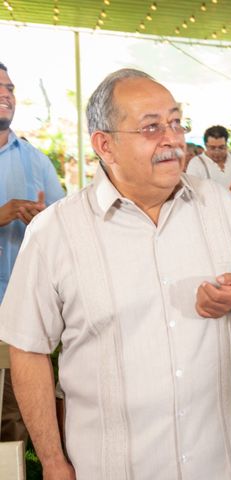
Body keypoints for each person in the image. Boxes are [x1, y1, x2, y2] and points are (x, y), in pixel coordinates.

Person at [0, 68, 231, 479]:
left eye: (175, 122)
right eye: (151, 127)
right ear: (105, 145)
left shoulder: (218, 206)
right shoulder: (55, 232)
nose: (172, 139)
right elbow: (28, 349)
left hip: (219, 462)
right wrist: (52, 461)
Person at [0, 61, 65, 442]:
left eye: (9, 88)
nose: (5, 94)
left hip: (15, 317)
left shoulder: (36, 161)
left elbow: (62, 229)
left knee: (13, 423)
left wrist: (41, 223)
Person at [187, 124, 231, 196]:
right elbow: (193, 194)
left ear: (226, 144)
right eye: (212, 148)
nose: (217, 152)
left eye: (221, 147)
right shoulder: (196, 164)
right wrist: (228, 195)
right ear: (205, 145)